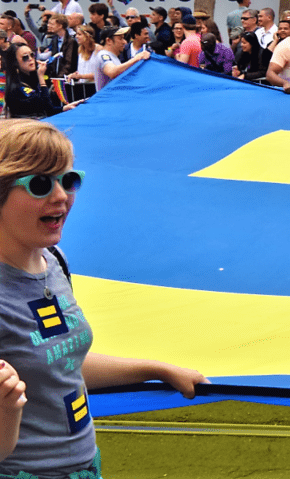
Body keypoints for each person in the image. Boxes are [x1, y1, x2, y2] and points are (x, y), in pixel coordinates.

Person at [0, 119, 208, 478]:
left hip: (84, 467)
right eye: (39, 184)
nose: (61, 196)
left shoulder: (54, 262)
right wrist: (7, 412)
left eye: (68, 179)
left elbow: (62, 364)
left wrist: (154, 369)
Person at [1, 45, 82, 118]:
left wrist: (65, 108)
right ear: (15, 62)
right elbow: (46, 106)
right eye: (25, 57)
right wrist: (41, 77)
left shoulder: (30, 79)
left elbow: (48, 110)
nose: (30, 59)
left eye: (32, 55)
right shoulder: (18, 87)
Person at [95, 27, 150, 92]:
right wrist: (136, 58)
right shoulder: (103, 55)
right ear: (108, 41)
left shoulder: (113, 57)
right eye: (120, 39)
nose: (125, 42)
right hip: (107, 100)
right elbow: (112, 72)